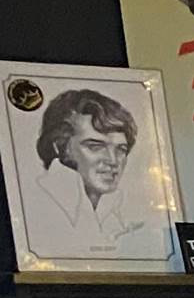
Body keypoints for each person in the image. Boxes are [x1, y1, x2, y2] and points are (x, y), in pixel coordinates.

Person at [25, 89, 166, 260]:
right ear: (60, 147)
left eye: (121, 149)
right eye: (95, 146)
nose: (113, 161)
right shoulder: (33, 205)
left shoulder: (119, 211)